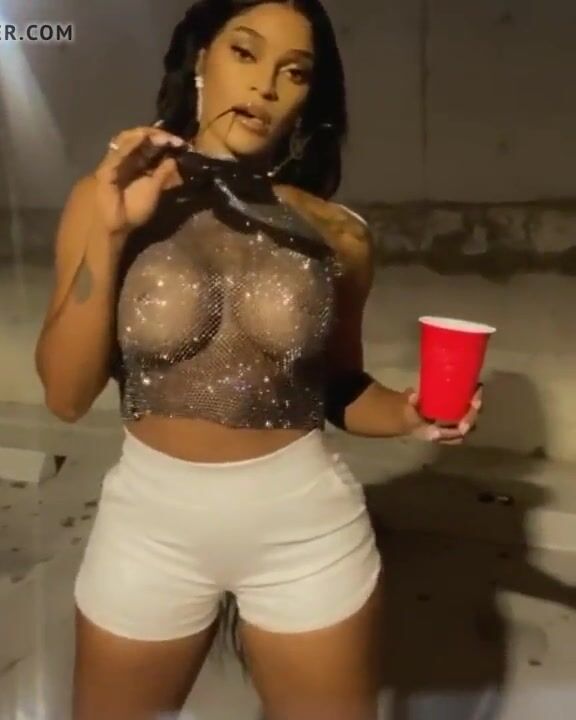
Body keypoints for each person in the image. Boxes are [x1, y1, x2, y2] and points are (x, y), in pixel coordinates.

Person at [35, 1, 481, 718]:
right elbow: (64, 395)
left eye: (293, 72)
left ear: (309, 97)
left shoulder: (337, 233)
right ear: (201, 60)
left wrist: (411, 412)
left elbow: (338, 388)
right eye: (245, 53)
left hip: (306, 531)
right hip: (149, 530)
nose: (266, 85)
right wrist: (110, 234)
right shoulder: (109, 195)